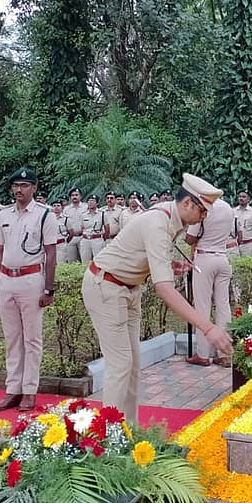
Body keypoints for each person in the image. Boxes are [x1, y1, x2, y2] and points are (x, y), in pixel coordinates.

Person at [82, 173, 234, 422]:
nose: (203, 218)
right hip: (105, 287)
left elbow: (147, 252)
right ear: (188, 204)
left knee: (132, 367)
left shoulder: (172, 218)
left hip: (127, 288)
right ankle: (108, 438)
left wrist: (166, 263)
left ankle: (127, 431)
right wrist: (208, 328)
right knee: (120, 365)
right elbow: (165, 290)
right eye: (203, 212)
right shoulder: (159, 222)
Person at [0, 167, 58, 412]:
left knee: (32, 339)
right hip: (7, 279)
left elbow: (51, 253)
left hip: (31, 280)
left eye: (25, 185)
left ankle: (29, 390)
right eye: (16, 185)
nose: (19, 190)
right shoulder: (3, 214)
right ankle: (13, 390)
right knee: (12, 338)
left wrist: (48, 289)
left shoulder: (44, 215)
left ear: (35, 188)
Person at [185, 196, 234, 367]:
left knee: (202, 307)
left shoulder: (202, 207)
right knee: (223, 306)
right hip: (222, 257)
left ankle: (203, 354)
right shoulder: (228, 207)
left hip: (205, 258)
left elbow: (190, 238)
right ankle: (225, 353)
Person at [79, 194, 107, 264]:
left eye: (93, 201)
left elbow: (107, 229)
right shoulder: (83, 214)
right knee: (85, 261)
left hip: (97, 239)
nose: (91, 203)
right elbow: (82, 227)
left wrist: (102, 238)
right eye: (89, 201)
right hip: (85, 240)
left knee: (98, 261)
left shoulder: (102, 214)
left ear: (97, 203)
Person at [63, 188, 86, 262]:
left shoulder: (86, 207)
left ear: (80, 196)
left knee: (85, 260)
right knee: (71, 261)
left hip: (83, 237)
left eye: (76, 195)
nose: (74, 197)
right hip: (71, 238)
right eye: (72, 195)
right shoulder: (66, 209)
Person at [234, 191, 252, 257]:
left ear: (248, 199)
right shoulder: (233, 211)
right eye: (240, 196)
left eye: (244, 197)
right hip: (235, 245)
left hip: (249, 244)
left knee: (249, 265)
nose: (241, 198)